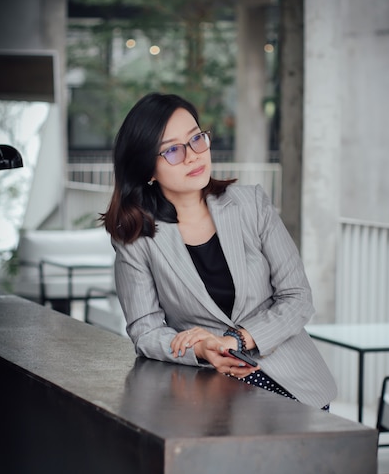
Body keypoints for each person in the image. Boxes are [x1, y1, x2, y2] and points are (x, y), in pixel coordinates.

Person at [102, 92, 337, 410]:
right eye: (172, 150)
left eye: (196, 139)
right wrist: (199, 349)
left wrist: (238, 340)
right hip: (211, 395)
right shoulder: (136, 238)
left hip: (297, 387)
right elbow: (146, 331)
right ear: (148, 169)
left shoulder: (251, 205)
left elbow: (298, 298)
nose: (192, 156)